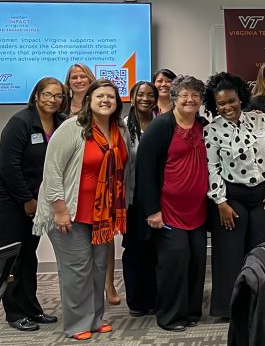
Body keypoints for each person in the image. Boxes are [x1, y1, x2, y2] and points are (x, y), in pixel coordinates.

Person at [32, 80, 129, 340]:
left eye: (111, 96)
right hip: (68, 212)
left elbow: (124, 170)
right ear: (89, 100)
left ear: (117, 102)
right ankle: (77, 325)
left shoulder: (119, 130)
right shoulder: (72, 128)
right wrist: (59, 209)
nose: (105, 100)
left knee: (98, 268)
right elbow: (52, 171)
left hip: (102, 215)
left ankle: (96, 319)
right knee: (78, 270)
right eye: (100, 95)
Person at [203, 72, 265, 318]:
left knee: (261, 251)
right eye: (222, 104)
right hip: (231, 198)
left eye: (231, 101)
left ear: (241, 98)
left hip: (263, 196)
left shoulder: (261, 120)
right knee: (229, 254)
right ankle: (229, 308)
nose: (228, 107)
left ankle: (262, 303)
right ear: (214, 106)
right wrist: (220, 202)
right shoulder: (211, 130)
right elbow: (212, 168)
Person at [136, 75, 209, 332]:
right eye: (184, 95)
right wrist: (152, 210)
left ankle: (190, 312)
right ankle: (170, 317)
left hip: (198, 211)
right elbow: (144, 170)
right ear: (174, 98)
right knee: (174, 263)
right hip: (167, 211)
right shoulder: (161, 126)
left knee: (196, 262)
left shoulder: (204, 125)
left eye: (195, 95)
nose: (190, 100)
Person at [0, 77, 66, 332]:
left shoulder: (61, 123)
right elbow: (8, 166)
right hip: (12, 201)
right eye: (48, 95)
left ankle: (32, 308)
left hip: (39, 201)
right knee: (14, 259)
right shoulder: (21, 122)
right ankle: (15, 313)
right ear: (36, 95)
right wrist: (26, 200)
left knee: (30, 256)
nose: (53, 100)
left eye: (58, 96)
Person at [122, 81, 159, 317]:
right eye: (140, 94)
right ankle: (136, 301)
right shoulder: (123, 126)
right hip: (133, 199)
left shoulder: (162, 124)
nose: (145, 98)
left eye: (150, 95)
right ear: (132, 98)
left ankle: (154, 298)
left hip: (157, 199)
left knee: (155, 250)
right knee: (135, 250)